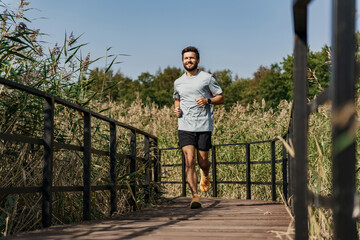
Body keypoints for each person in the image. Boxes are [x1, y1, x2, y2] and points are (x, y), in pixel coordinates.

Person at [173, 46, 224, 209]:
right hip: (185, 125)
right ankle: (195, 196)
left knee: (203, 162)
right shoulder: (178, 82)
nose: (189, 60)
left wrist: (208, 101)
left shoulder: (207, 78)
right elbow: (177, 98)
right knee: (189, 161)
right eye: (186, 58)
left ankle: (206, 174)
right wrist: (176, 108)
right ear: (182, 61)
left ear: (198, 60)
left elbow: (221, 98)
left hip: (203, 125)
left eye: (192, 58)